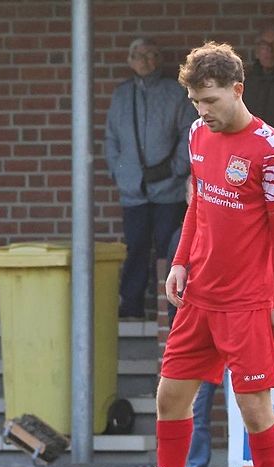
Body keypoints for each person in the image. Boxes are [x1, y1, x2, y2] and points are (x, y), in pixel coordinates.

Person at [111, 41, 274, 467]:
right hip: (199, 296)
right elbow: (197, 205)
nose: (202, 111)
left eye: (210, 100)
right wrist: (180, 262)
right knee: (169, 399)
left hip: (248, 302)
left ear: (238, 89)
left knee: (254, 410)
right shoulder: (197, 133)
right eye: (195, 101)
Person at [105, 37, 196, 319]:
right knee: (135, 247)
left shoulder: (175, 92)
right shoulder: (122, 95)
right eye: (139, 55)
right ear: (129, 61)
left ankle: (170, 307)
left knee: (170, 248)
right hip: (133, 191)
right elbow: (111, 138)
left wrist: (177, 168)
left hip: (169, 188)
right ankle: (131, 306)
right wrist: (121, 173)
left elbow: (188, 131)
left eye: (151, 54)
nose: (145, 60)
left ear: (159, 59)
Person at [164, 179, 219, 467]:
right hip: (199, 332)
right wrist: (180, 334)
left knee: (253, 407)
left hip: (235, 324)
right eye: (193, 194)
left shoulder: (232, 230)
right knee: (194, 410)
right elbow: (175, 293)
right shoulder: (180, 238)